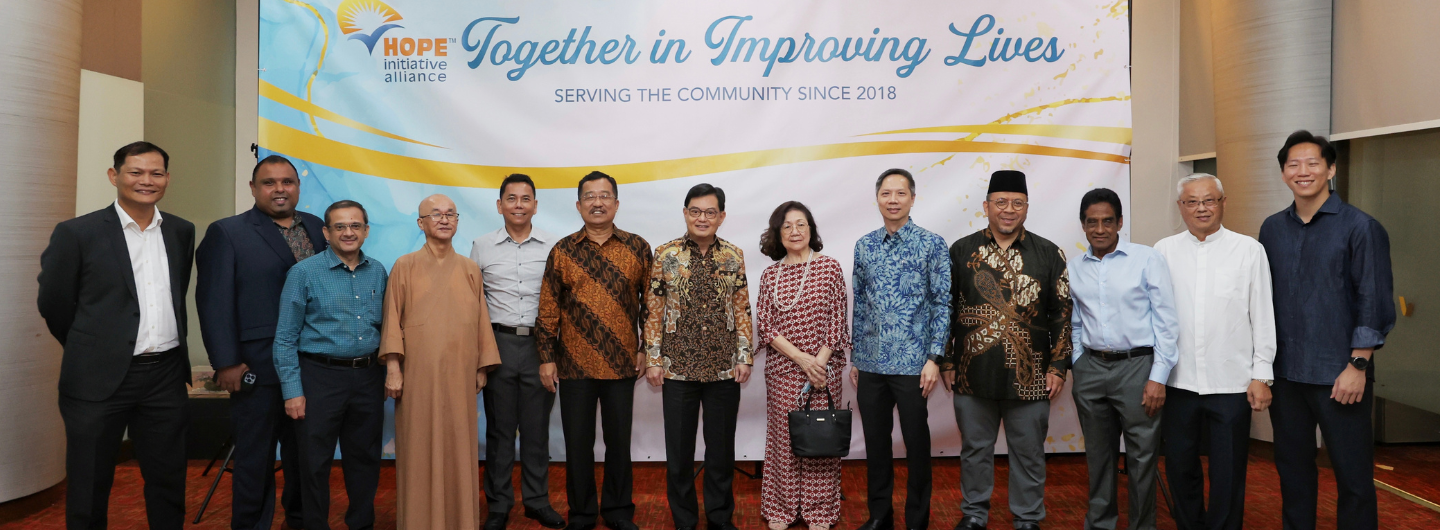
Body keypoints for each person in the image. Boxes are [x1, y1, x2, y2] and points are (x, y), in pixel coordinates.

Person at [38, 141, 195, 530]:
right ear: (115, 176)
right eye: (136, 172)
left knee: (168, 480)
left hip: (165, 376)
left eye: (156, 173)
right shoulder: (77, 233)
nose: (147, 181)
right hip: (97, 377)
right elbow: (55, 304)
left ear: (168, 179)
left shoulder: (180, 231)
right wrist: (92, 346)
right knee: (90, 485)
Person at [1258, 131, 1393, 530]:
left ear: (1331, 169)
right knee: (1293, 474)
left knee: (1353, 479)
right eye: (1293, 165)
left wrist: (1358, 364)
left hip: (1340, 375)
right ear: (1283, 174)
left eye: (1313, 163)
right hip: (1286, 378)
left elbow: (1375, 300)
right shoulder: (1271, 229)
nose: (1303, 172)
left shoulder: (1360, 227)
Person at [197, 155, 324, 530]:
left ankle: (299, 521)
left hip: (313, 365)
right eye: (269, 182)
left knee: (306, 457)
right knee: (255, 458)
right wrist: (225, 361)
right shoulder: (228, 232)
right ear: (253, 188)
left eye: (287, 181)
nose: (280, 189)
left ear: (298, 188)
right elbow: (213, 300)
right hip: (256, 365)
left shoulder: (318, 228)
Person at [940, 170, 1071, 530]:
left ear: (1027, 207)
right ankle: (974, 514)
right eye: (1001, 202)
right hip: (972, 371)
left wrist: (1058, 366)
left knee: (1028, 453)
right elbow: (946, 309)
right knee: (974, 451)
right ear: (986, 206)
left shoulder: (1048, 253)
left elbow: (1062, 312)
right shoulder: (962, 250)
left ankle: (1028, 517)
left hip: (1030, 376)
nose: (1008, 210)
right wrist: (947, 360)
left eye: (1016, 203)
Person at [1154, 174, 1276, 530]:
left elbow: (1263, 314)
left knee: (1229, 470)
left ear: (1223, 202)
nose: (1201, 208)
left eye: (1209, 200)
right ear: (1181, 207)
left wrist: (1261, 375)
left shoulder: (1249, 250)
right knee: (1180, 465)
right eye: (1192, 201)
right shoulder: (1163, 250)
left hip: (1232, 383)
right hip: (1178, 381)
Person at [537, 171, 652, 530]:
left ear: (616, 204)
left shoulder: (637, 247)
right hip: (573, 365)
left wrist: (647, 348)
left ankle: (618, 511)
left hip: (622, 364)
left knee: (619, 444)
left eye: (605, 196)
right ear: (578, 204)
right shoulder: (563, 250)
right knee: (578, 445)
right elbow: (548, 307)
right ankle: (583, 513)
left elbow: (653, 305)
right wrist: (546, 358)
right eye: (590, 196)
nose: (597, 202)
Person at [380, 194, 503, 530]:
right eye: (436, 214)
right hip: (417, 375)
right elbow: (392, 320)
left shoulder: (469, 269)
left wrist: (481, 366)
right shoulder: (404, 266)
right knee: (418, 448)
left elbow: (481, 320)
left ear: (458, 221)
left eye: (451, 214)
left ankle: (461, 521)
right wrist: (393, 368)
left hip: (460, 373)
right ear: (421, 223)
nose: (444, 219)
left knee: (460, 448)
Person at [1067, 188, 1179, 530]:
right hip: (1091, 369)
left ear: (1119, 223)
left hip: (1138, 368)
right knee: (1098, 457)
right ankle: (1100, 523)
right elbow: (1075, 321)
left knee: (1142, 457)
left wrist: (1158, 376)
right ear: (1083, 225)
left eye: (1107, 221)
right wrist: (1077, 362)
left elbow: (1166, 321)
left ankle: (1142, 526)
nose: (1099, 229)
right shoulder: (1074, 267)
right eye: (1092, 222)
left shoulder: (1146, 259)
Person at [643, 183, 754, 530]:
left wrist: (744, 355)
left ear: (721, 216)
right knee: (679, 454)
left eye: (709, 212)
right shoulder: (666, 254)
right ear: (685, 213)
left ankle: (720, 519)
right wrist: (654, 359)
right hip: (677, 369)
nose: (702, 218)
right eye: (695, 211)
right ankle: (685, 521)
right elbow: (654, 310)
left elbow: (742, 309)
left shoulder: (733, 255)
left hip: (723, 368)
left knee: (720, 452)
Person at [273, 200, 387, 530]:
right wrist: (292, 391)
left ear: (366, 231)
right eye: (340, 226)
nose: (348, 232)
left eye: (355, 226)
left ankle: (362, 524)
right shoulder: (303, 273)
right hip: (318, 378)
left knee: (365, 461)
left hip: (367, 378)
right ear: (326, 232)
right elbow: (284, 339)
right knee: (313, 464)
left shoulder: (378, 271)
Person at [851, 168, 950, 530]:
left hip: (913, 364)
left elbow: (943, 304)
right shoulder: (864, 245)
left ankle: (917, 520)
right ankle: (879, 516)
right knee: (875, 446)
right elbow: (861, 304)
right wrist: (856, 358)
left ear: (912, 198)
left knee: (916, 447)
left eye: (900, 194)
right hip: (872, 364)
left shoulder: (931, 243)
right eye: (886, 194)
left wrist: (934, 358)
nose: (893, 200)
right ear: (877, 198)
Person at [469, 175, 566, 530]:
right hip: (498, 345)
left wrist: (551, 352)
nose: (519, 205)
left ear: (536, 206)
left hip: (542, 347)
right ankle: (498, 505)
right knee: (499, 431)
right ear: (500, 205)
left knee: (537, 429)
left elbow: (561, 301)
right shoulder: (481, 246)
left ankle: (537, 501)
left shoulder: (554, 247)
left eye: (526, 199)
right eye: (512, 198)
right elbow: (473, 302)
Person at [755, 201, 850, 530]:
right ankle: (782, 509)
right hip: (783, 369)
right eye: (787, 226)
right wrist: (801, 359)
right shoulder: (770, 275)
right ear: (778, 234)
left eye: (801, 225)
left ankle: (820, 510)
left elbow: (838, 322)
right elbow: (766, 327)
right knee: (784, 440)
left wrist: (818, 364)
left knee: (820, 438)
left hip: (825, 370)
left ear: (811, 230)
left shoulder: (830, 268)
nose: (795, 231)